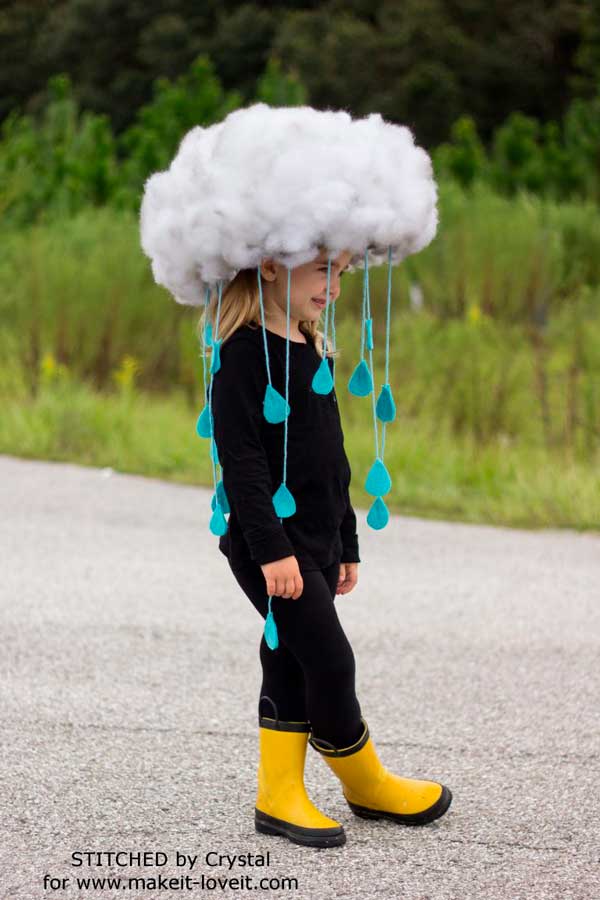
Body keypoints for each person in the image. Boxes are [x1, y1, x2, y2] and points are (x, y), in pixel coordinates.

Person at [207, 248, 452, 849]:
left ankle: (279, 795)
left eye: (341, 272)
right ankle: (362, 779)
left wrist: (347, 539)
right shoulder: (242, 355)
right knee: (330, 660)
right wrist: (270, 551)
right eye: (323, 270)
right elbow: (241, 466)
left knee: (290, 658)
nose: (335, 285)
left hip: (314, 540)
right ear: (269, 265)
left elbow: (333, 456)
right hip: (269, 545)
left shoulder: (313, 348)